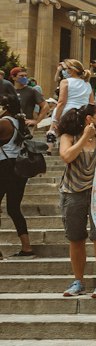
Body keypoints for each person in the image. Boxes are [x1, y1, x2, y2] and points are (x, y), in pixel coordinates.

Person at [57, 101, 96, 298]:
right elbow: (67, 156)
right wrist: (85, 137)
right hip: (73, 191)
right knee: (76, 238)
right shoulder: (69, 137)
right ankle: (78, 281)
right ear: (89, 119)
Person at [0, 91, 36, 258]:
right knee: (14, 209)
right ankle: (26, 247)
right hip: (18, 168)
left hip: (4, 167)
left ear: (5, 107)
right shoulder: (18, 121)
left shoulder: (4, 123)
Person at [50, 60, 93, 140]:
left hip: (67, 114)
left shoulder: (65, 82)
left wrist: (55, 119)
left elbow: (61, 102)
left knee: (56, 135)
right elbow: (91, 103)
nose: (65, 70)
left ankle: (49, 150)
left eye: (66, 68)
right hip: (83, 115)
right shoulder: (87, 84)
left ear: (72, 70)